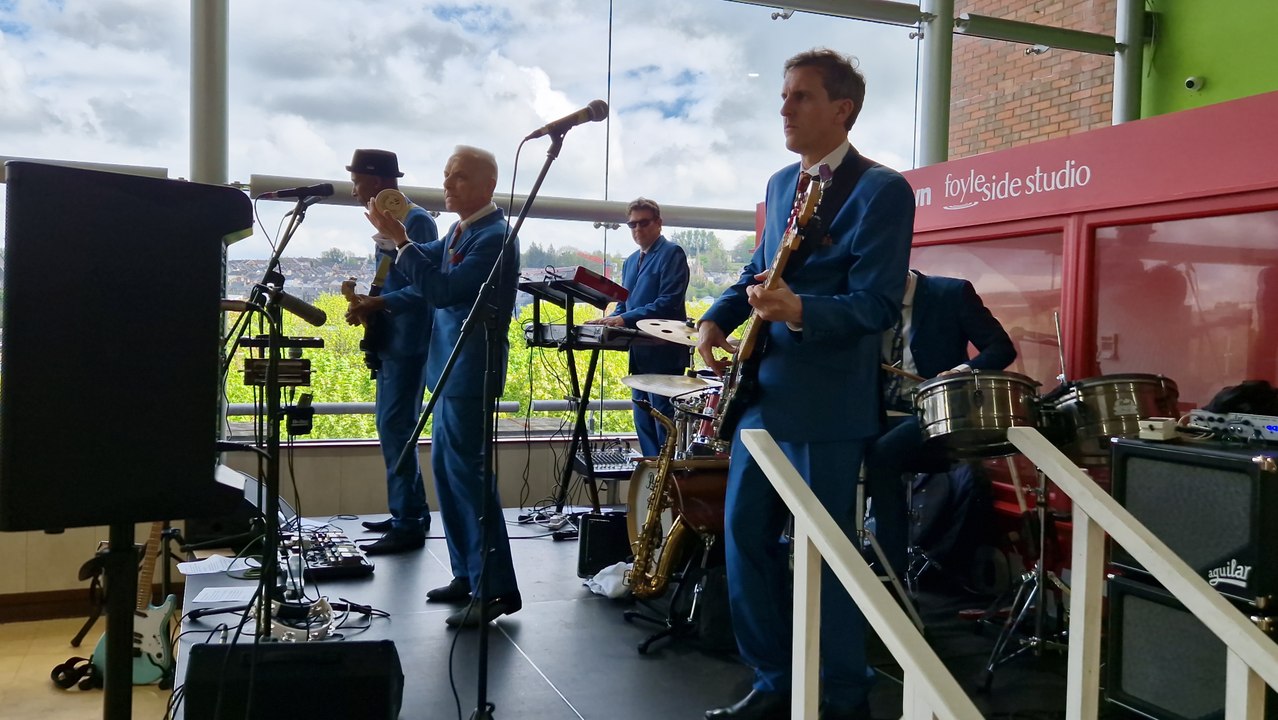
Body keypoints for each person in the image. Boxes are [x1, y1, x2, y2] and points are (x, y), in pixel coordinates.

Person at [696, 49, 915, 720]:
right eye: (784, 95)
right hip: (763, 395)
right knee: (743, 539)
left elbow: (877, 305)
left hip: (827, 404)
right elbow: (757, 274)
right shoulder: (776, 184)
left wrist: (802, 310)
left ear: (842, 109)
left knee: (828, 558)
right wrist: (713, 319)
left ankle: (845, 695)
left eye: (800, 97)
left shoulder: (881, 191)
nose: (783, 108)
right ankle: (774, 681)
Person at [366, 145, 522, 627]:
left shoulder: (494, 237)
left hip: (470, 372)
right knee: (450, 479)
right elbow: (424, 273)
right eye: (447, 177)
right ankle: (466, 574)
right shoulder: (461, 230)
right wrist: (390, 277)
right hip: (448, 370)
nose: (448, 186)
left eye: (457, 178)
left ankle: (495, 588)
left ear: (487, 186)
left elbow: (445, 290)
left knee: (470, 480)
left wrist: (402, 243)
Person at [865, 270, 1016, 579]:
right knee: (840, 447)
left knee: (882, 456)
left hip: (934, 416)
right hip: (880, 412)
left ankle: (888, 574)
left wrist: (961, 371)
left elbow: (1002, 349)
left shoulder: (951, 292)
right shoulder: (871, 301)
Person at [342, 149, 438, 555]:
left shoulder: (417, 221)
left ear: (376, 181)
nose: (353, 188)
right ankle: (408, 511)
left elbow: (427, 287)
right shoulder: (389, 220)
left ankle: (408, 521)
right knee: (390, 427)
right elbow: (394, 280)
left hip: (408, 342)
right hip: (390, 339)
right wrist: (367, 301)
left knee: (396, 428)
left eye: (357, 179)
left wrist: (377, 305)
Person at [585, 197, 690, 456]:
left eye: (643, 223)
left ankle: (667, 480)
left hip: (664, 351)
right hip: (639, 352)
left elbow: (668, 301)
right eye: (632, 225)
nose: (637, 230)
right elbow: (625, 303)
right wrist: (610, 319)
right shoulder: (630, 261)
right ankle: (650, 479)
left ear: (659, 224)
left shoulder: (672, 253)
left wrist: (625, 318)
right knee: (642, 419)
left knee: (663, 420)